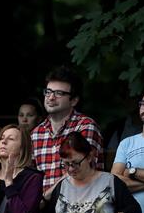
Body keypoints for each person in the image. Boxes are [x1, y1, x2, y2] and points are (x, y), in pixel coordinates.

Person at [31, 65, 105, 194]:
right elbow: (31, 179)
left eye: (59, 93)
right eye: (48, 92)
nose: (51, 97)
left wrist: (46, 197)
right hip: (43, 210)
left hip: (79, 204)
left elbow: (82, 174)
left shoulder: (86, 127)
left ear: (74, 100)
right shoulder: (36, 133)